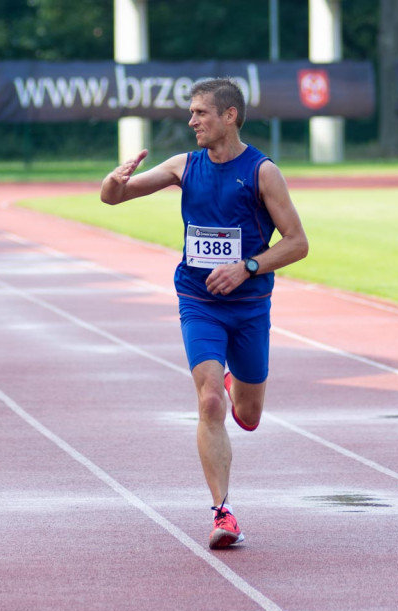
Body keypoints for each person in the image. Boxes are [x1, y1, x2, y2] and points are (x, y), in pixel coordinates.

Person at [100, 78, 308, 549]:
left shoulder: (262, 172)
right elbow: (114, 197)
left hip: (250, 306)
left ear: (230, 116)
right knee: (209, 401)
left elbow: (298, 243)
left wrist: (247, 267)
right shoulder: (183, 166)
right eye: (191, 113)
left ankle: (241, 388)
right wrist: (115, 179)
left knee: (249, 414)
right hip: (199, 303)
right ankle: (223, 512)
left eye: (201, 113)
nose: (191, 121)